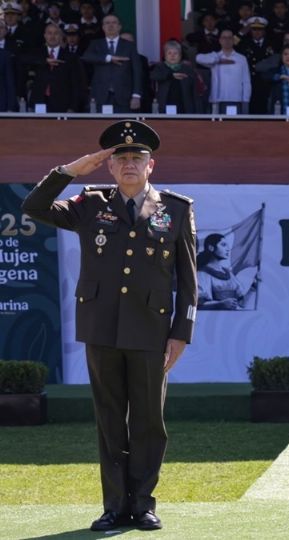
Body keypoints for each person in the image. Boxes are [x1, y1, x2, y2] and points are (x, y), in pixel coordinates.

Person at [21, 120, 198, 532]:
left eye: (138, 158)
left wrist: (181, 332)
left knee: (150, 421)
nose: (130, 164)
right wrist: (69, 171)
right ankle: (114, 505)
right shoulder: (88, 204)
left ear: (151, 165)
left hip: (152, 332)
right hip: (101, 328)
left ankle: (143, 504)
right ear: (110, 167)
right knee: (109, 419)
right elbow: (33, 207)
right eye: (121, 159)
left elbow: (189, 282)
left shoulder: (175, 209)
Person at [81, 14, 142, 113]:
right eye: (107, 23)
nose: (110, 25)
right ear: (103, 27)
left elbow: (137, 71)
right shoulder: (95, 44)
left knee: (122, 126)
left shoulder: (129, 46)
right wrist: (108, 58)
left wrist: (136, 95)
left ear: (119, 27)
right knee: (100, 126)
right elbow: (86, 57)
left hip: (123, 96)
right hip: (100, 95)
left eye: (114, 23)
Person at [26, 23, 87, 112]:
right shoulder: (38, 54)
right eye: (49, 33)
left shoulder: (71, 57)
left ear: (61, 36)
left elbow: (77, 84)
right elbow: (22, 59)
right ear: (45, 36)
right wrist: (45, 61)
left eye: (56, 33)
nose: (52, 36)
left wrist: (73, 107)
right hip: (39, 102)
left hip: (63, 104)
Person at [196, 29, 252, 114]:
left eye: (229, 38)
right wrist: (217, 60)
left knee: (235, 126)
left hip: (236, 99)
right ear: (220, 40)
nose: (227, 40)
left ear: (233, 41)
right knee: (217, 126)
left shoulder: (241, 58)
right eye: (224, 38)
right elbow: (198, 58)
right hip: (217, 99)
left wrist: (246, 100)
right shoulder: (214, 57)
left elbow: (246, 81)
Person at [197, 233, 257, 310]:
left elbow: (241, 304)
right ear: (211, 247)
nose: (228, 249)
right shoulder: (202, 274)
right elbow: (198, 304)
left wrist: (253, 287)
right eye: (223, 245)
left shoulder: (228, 273)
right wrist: (220, 304)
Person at [150, 40, 201, 114]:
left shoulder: (187, 69)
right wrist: (171, 75)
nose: (172, 56)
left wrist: (198, 112)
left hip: (184, 107)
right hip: (165, 105)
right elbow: (153, 76)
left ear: (180, 55)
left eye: (175, 53)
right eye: (169, 53)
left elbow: (195, 92)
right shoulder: (160, 67)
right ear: (165, 55)